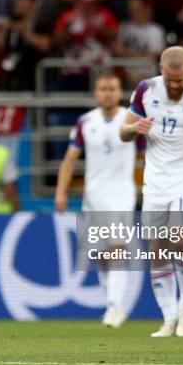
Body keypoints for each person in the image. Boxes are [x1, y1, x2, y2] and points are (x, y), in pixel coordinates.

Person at [120, 46, 183, 337]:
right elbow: (122, 132)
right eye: (169, 80)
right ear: (161, 71)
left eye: (180, 80)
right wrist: (135, 128)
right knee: (157, 247)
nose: (175, 85)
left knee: (178, 238)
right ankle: (168, 318)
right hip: (155, 179)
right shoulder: (145, 90)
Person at [56, 74, 137, 328]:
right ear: (96, 93)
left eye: (112, 88)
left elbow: (149, 150)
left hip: (122, 192)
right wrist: (61, 191)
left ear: (120, 91)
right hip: (93, 194)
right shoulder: (85, 122)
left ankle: (113, 308)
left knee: (117, 248)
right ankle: (113, 304)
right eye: (103, 89)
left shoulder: (131, 119)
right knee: (101, 253)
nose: (108, 93)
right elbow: (70, 159)